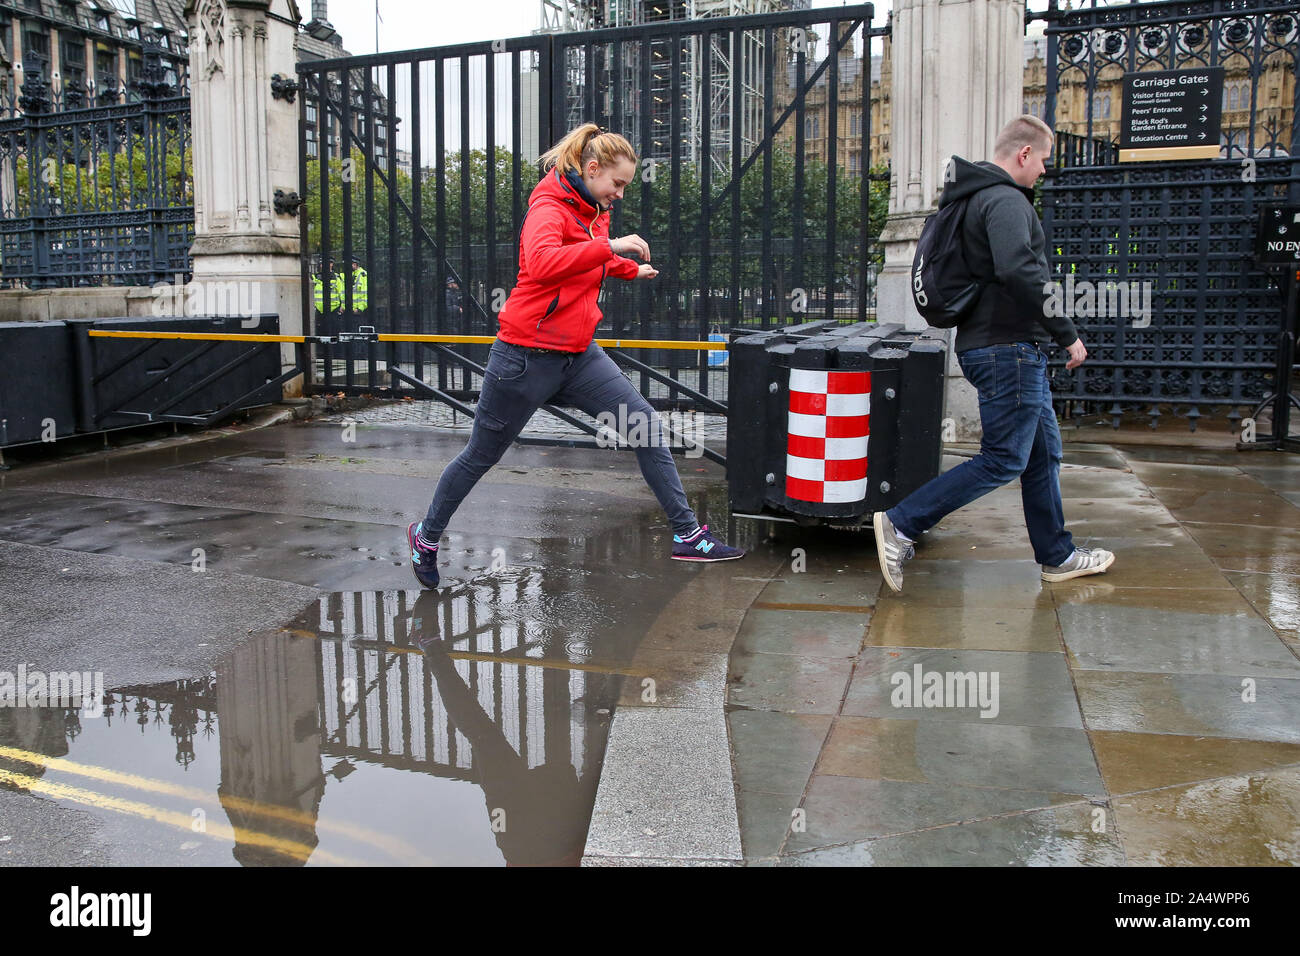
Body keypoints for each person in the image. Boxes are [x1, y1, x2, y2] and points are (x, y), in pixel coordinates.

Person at [407, 123, 743, 588]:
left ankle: (687, 534)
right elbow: (543, 263)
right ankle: (426, 535)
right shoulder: (547, 208)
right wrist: (611, 245)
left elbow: (590, 259)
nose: (620, 193)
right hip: (524, 357)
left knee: (644, 426)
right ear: (591, 169)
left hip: (579, 355)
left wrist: (628, 269)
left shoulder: (594, 208)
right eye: (617, 183)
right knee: (480, 456)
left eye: (625, 184)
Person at [873, 114, 1114, 592]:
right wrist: (1066, 332)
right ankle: (900, 522)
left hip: (995, 346)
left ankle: (1058, 555)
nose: (1045, 171)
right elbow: (1021, 273)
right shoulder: (1005, 200)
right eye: (1044, 160)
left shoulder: (967, 199)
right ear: (1024, 154)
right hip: (1010, 349)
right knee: (1003, 458)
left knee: (1043, 456)